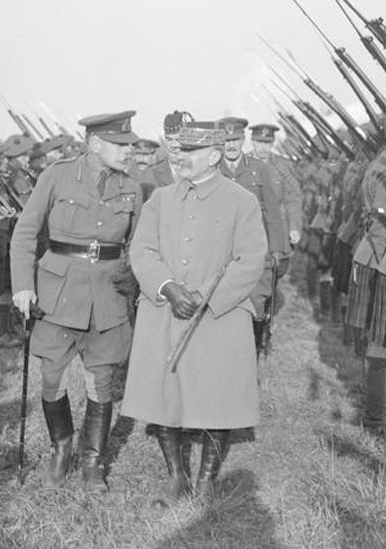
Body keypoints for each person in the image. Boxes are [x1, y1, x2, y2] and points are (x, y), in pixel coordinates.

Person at [121, 120, 267, 506]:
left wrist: (204, 296)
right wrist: (167, 287)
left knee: (217, 399)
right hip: (164, 309)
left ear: (215, 156)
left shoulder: (242, 201)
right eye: (179, 149)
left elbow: (250, 260)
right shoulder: (161, 199)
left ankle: (206, 481)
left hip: (219, 312)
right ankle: (176, 477)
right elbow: (143, 251)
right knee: (163, 395)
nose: (179, 156)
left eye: (189, 151)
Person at [10, 111, 142, 491]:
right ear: (95, 144)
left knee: (101, 380)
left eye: (130, 145)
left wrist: (132, 276)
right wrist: (23, 285)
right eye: (121, 145)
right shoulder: (57, 175)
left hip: (109, 295)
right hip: (58, 293)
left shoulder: (133, 186)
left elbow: (137, 244)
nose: (128, 152)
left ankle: (92, 462)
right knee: (52, 377)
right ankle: (61, 449)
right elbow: (24, 235)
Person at [217, 117, 287, 339]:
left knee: (256, 301)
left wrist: (276, 248)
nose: (231, 145)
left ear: (243, 139)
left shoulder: (258, 169)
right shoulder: (212, 168)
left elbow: (273, 212)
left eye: (236, 139)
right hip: (220, 249)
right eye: (227, 140)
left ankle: (253, 353)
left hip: (254, 247)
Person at [137, 111, 191, 201]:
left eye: (179, 139)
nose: (174, 145)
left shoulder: (204, 171)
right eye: (169, 139)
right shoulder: (149, 175)